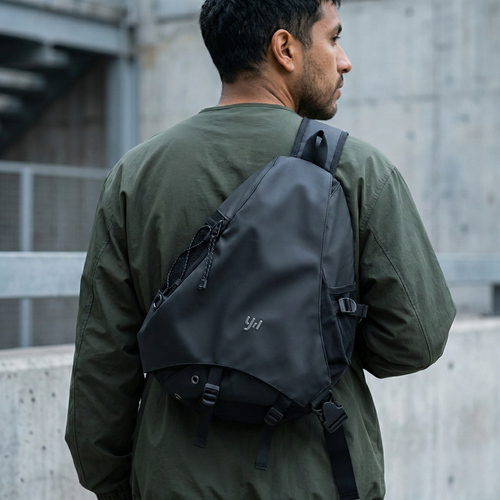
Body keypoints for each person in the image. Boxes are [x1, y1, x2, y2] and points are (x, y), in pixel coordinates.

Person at [65, 1, 456, 499]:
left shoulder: (135, 175)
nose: (345, 61)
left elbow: (102, 366)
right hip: (318, 477)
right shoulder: (357, 170)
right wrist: (312, 337)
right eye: (334, 38)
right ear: (285, 49)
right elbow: (416, 339)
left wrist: (116, 483)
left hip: (173, 480)